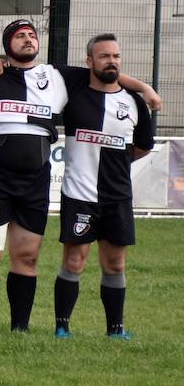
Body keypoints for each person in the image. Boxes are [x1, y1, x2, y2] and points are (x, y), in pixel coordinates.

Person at [0, 20, 160, 332]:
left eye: (32, 35)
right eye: (20, 36)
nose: (27, 39)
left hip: (34, 180)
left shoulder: (57, 75)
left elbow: (105, 72)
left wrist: (143, 87)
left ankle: (19, 327)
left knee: (28, 256)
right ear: (8, 45)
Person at [53, 34, 153, 340]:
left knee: (115, 262)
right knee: (74, 261)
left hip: (118, 198)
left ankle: (116, 329)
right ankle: (62, 327)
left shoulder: (134, 103)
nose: (111, 61)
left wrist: (118, 165)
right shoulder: (74, 94)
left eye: (116, 56)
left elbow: (144, 146)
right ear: (89, 62)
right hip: (79, 195)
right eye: (104, 56)